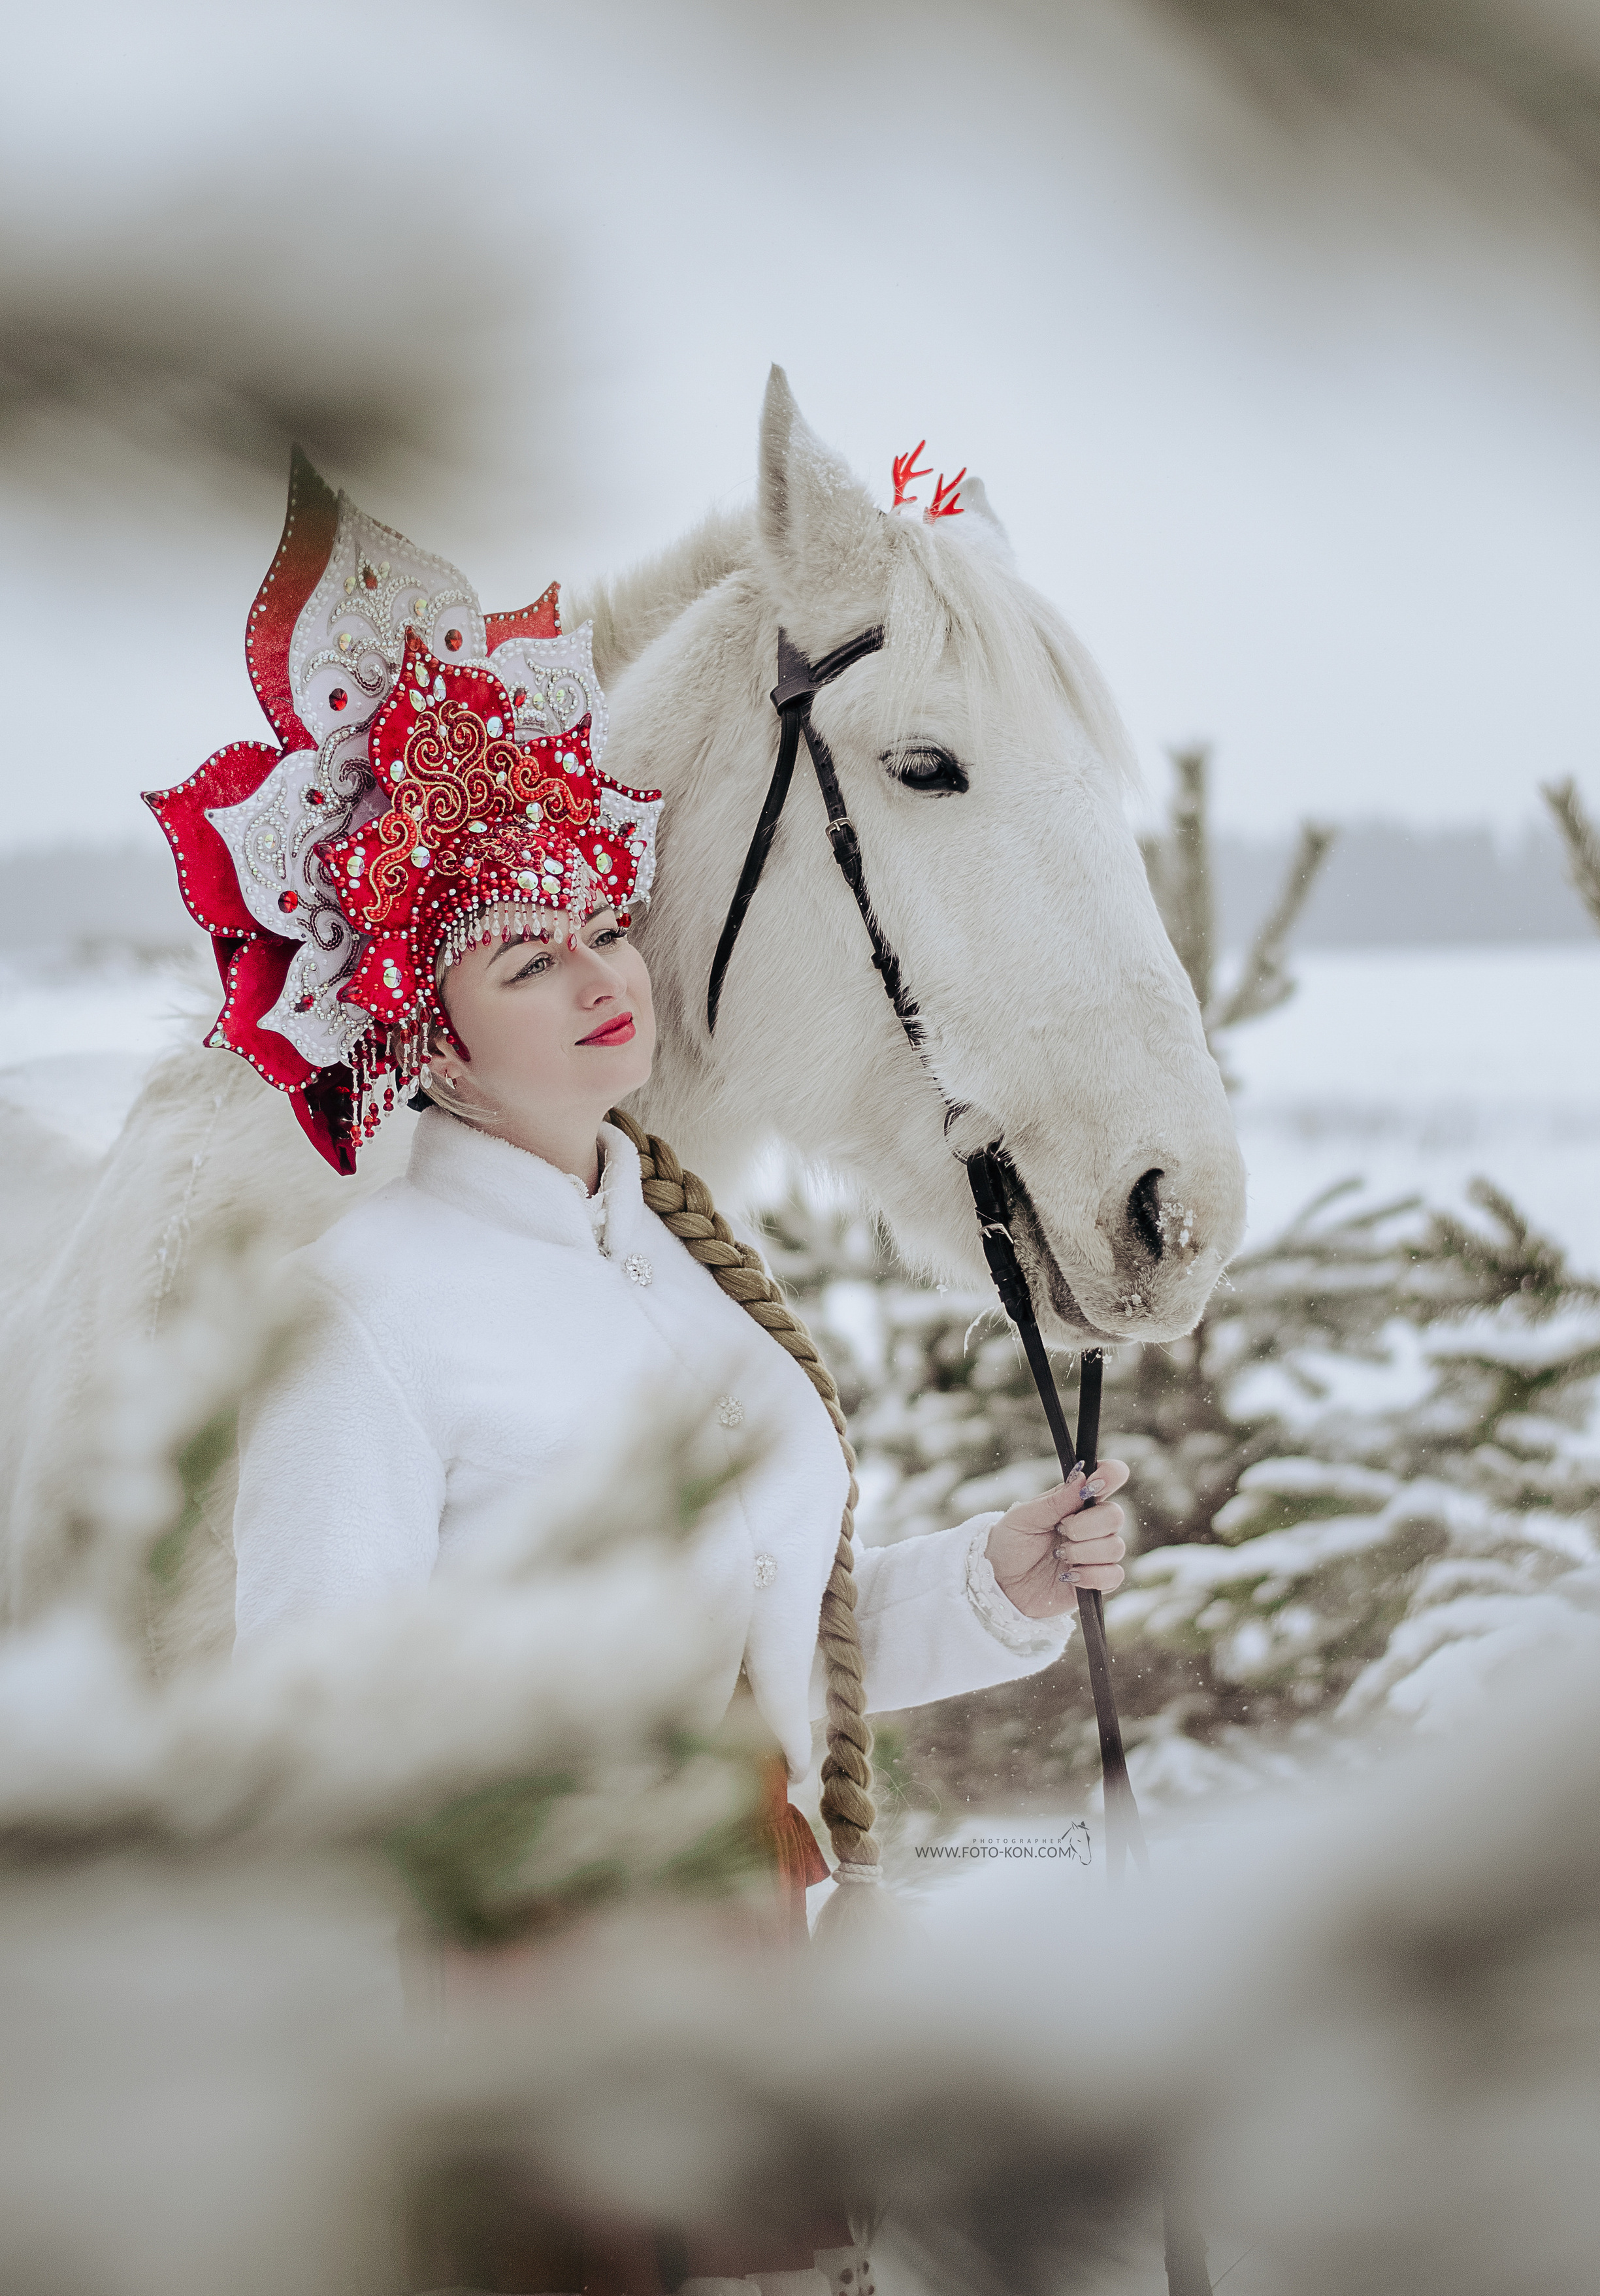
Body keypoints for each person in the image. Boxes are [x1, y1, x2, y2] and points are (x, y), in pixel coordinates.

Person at [147, 461, 1129, 2296]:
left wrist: (987, 1586)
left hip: (753, 2035)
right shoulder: (362, 1310)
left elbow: (751, 1651)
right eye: (532, 954)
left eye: (607, 920)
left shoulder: (674, 1257)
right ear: (424, 1015)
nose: (606, 975)